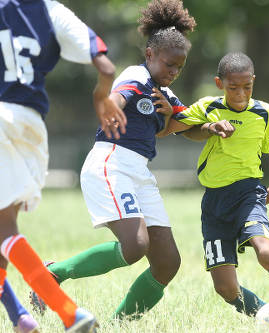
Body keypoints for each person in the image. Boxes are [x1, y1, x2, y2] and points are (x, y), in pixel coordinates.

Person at [30, 0, 196, 321]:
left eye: (180, 67)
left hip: (140, 173)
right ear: (150, 55)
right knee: (135, 246)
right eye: (169, 65)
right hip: (112, 164)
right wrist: (112, 106)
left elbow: (187, 123)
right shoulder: (136, 74)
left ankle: (119, 325)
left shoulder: (165, 92)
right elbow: (118, 96)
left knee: (167, 263)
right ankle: (51, 275)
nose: (174, 73)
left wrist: (211, 123)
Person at [163, 52, 269, 332]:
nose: (240, 94)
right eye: (232, 88)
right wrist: (205, 126)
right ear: (219, 83)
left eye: (246, 87)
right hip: (214, 202)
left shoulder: (265, 112)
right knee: (226, 288)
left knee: (266, 252)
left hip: (249, 193)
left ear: (254, 82)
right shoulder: (208, 105)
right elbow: (174, 128)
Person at [0, 0, 126, 331]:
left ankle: (70, 313)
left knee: (4, 229)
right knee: (1, 226)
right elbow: (108, 68)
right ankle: (19, 318)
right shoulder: (50, 10)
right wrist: (102, 96)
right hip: (31, 125)